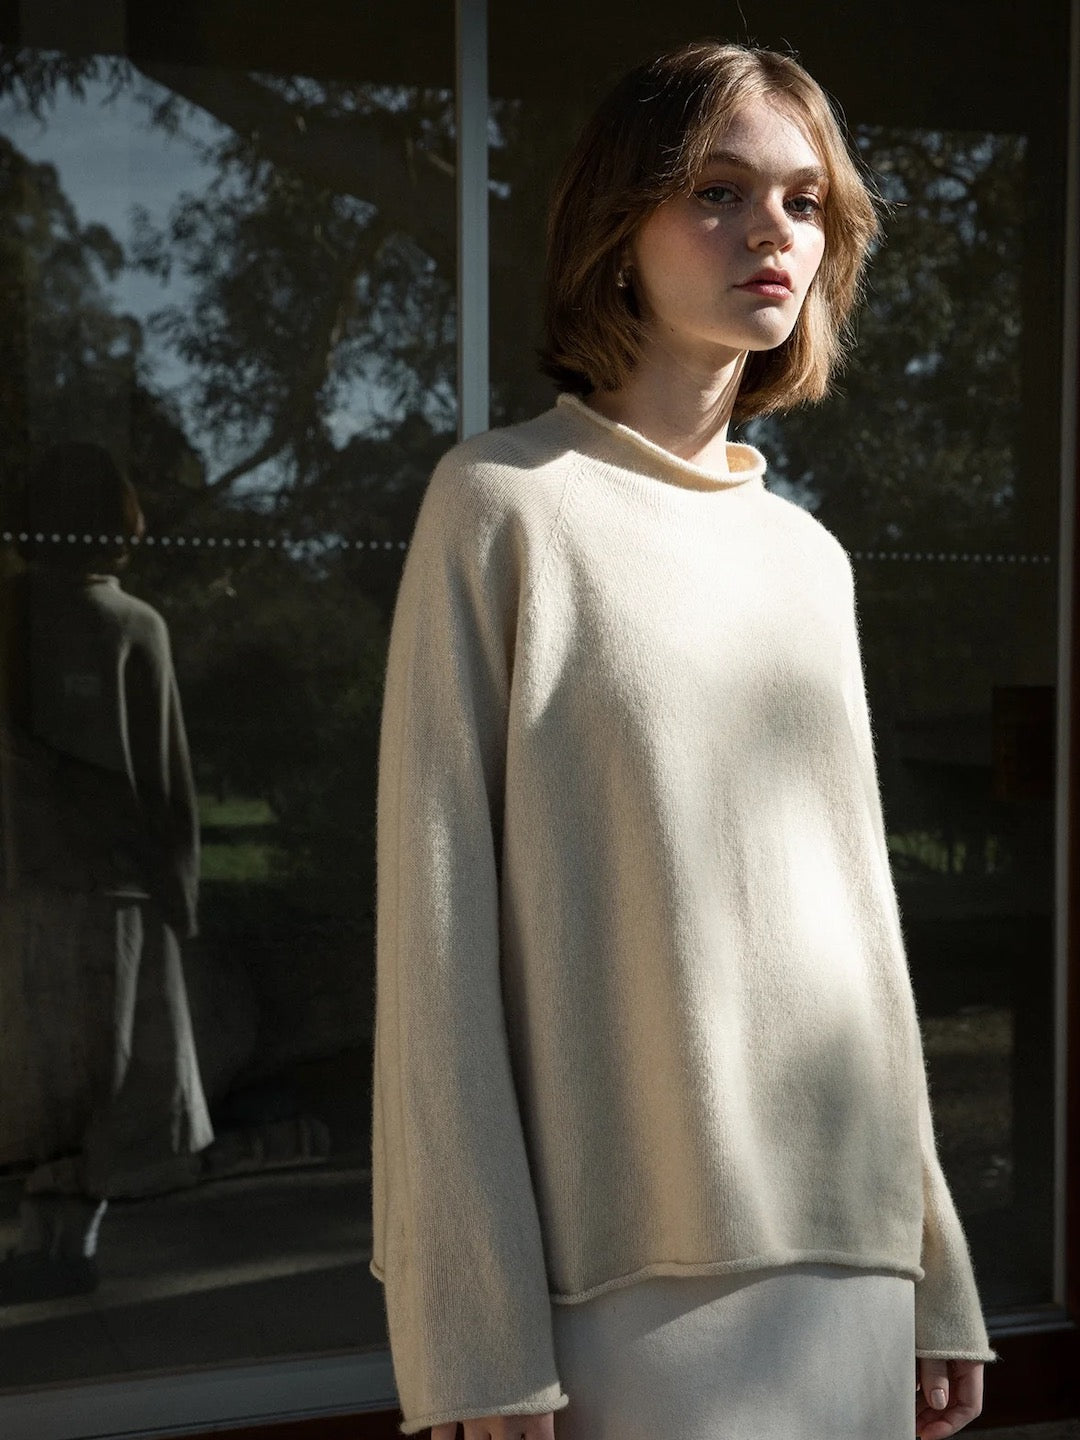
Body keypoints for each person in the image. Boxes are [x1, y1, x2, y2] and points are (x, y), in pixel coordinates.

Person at [369, 38, 996, 1440]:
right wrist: (471, 1329)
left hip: (851, 1273)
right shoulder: (503, 508)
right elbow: (436, 940)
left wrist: (938, 1268)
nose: (771, 231)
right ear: (617, 226)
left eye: (804, 201)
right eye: (718, 191)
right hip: (627, 1288)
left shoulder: (810, 561)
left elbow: (862, 935)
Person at [0, 441, 213, 1301]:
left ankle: (43, 1244)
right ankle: (67, 1245)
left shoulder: (19, 615)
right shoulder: (132, 626)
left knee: (43, 1074)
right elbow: (167, 778)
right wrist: (180, 891)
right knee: (100, 1076)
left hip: (30, 885)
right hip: (111, 893)